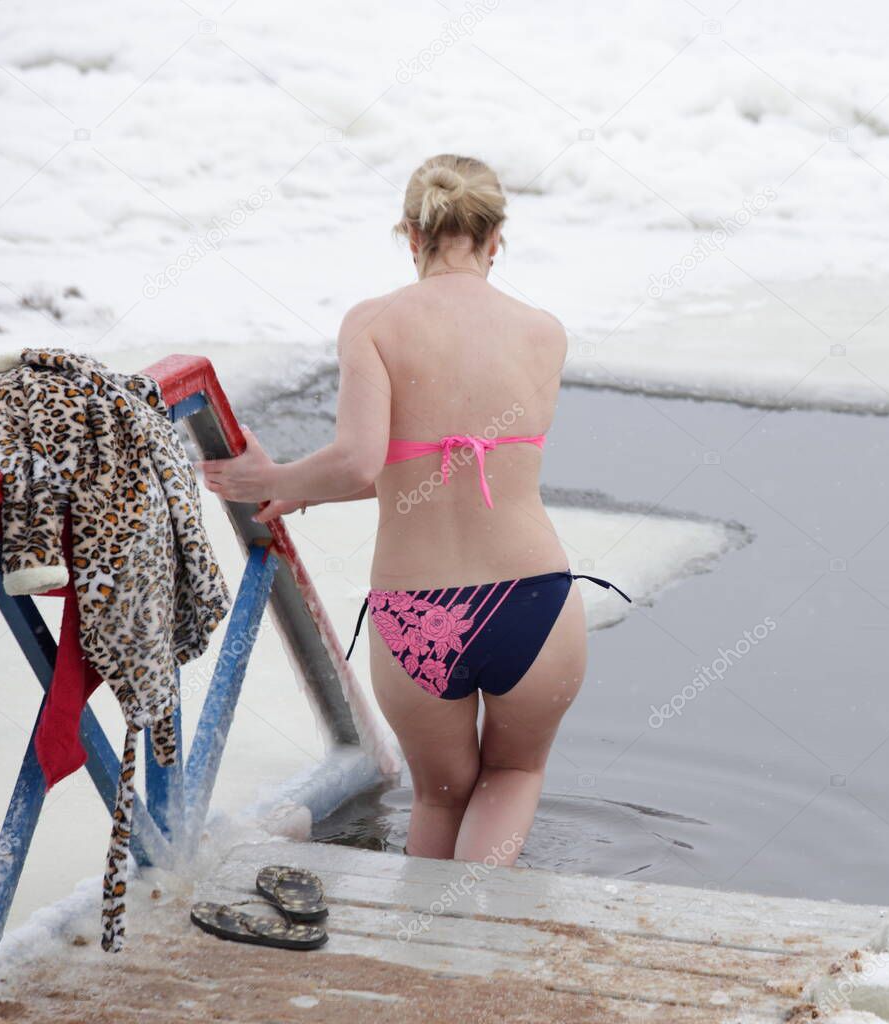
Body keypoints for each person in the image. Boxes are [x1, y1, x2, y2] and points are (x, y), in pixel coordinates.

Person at [200, 154, 629, 867]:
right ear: (496, 239)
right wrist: (304, 483)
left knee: (439, 797)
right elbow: (452, 467)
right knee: (514, 774)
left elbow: (367, 460)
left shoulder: (375, 323)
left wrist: (277, 476)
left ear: (410, 236)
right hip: (532, 599)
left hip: (419, 613)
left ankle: (421, 947)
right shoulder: (543, 333)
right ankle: (479, 929)